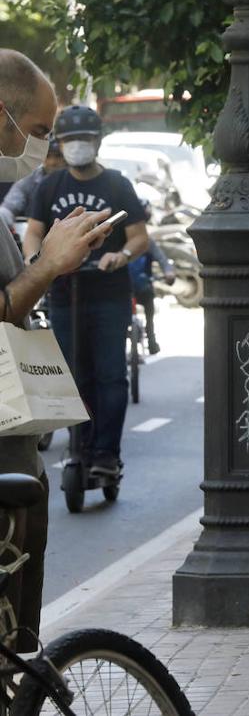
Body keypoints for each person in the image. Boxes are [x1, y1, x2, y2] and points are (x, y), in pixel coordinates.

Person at [0, 48, 115, 651]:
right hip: (4, 476)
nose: (43, 148)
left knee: (17, 648)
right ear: (2, 115)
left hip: (16, 464)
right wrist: (46, 266)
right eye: (39, 131)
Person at [24, 105, 149, 479]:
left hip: (109, 296)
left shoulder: (116, 184)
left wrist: (120, 255)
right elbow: (33, 230)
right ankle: (79, 446)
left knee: (110, 375)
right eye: (70, 140)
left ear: (97, 141)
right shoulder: (50, 186)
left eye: (84, 140)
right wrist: (36, 258)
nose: (77, 147)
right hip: (64, 297)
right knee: (73, 376)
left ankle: (107, 454)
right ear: (60, 144)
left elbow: (140, 237)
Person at [1, 137, 63, 231]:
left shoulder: (76, 177)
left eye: (58, 156)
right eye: (47, 156)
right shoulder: (31, 178)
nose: (52, 162)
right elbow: (9, 207)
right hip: (34, 234)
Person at [126, 235, 175, 355]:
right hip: (125, 287)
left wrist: (168, 272)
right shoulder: (119, 240)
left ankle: (151, 340)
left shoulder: (147, 242)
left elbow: (162, 259)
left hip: (144, 284)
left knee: (149, 314)